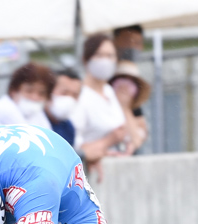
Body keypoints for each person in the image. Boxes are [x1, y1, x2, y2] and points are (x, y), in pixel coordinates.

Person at [71, 33, 131, 179]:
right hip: (90, 174)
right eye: (99, 55)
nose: (105, 61)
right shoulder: (80, 96)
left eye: (110, 56)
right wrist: (108, 141)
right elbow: (74, 147)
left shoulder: (109, 91)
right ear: (86, 60)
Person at [0, 62, 55, 129]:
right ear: (14, 90)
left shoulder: (37, 115)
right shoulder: (5, 108)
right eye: (29, 91)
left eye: (41, 93)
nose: (34, 97)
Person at [110, 61, 149, 154]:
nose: (125, 86)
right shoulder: (105, 106)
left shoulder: (136, 110)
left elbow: (137, 140)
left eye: (130, 82)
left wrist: (125, 108)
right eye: (121, 80)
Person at [47, 68, 81, 145]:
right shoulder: (36, 120)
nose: (69, 99)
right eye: (64, 93)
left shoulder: (68, 127)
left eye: (74, 95)